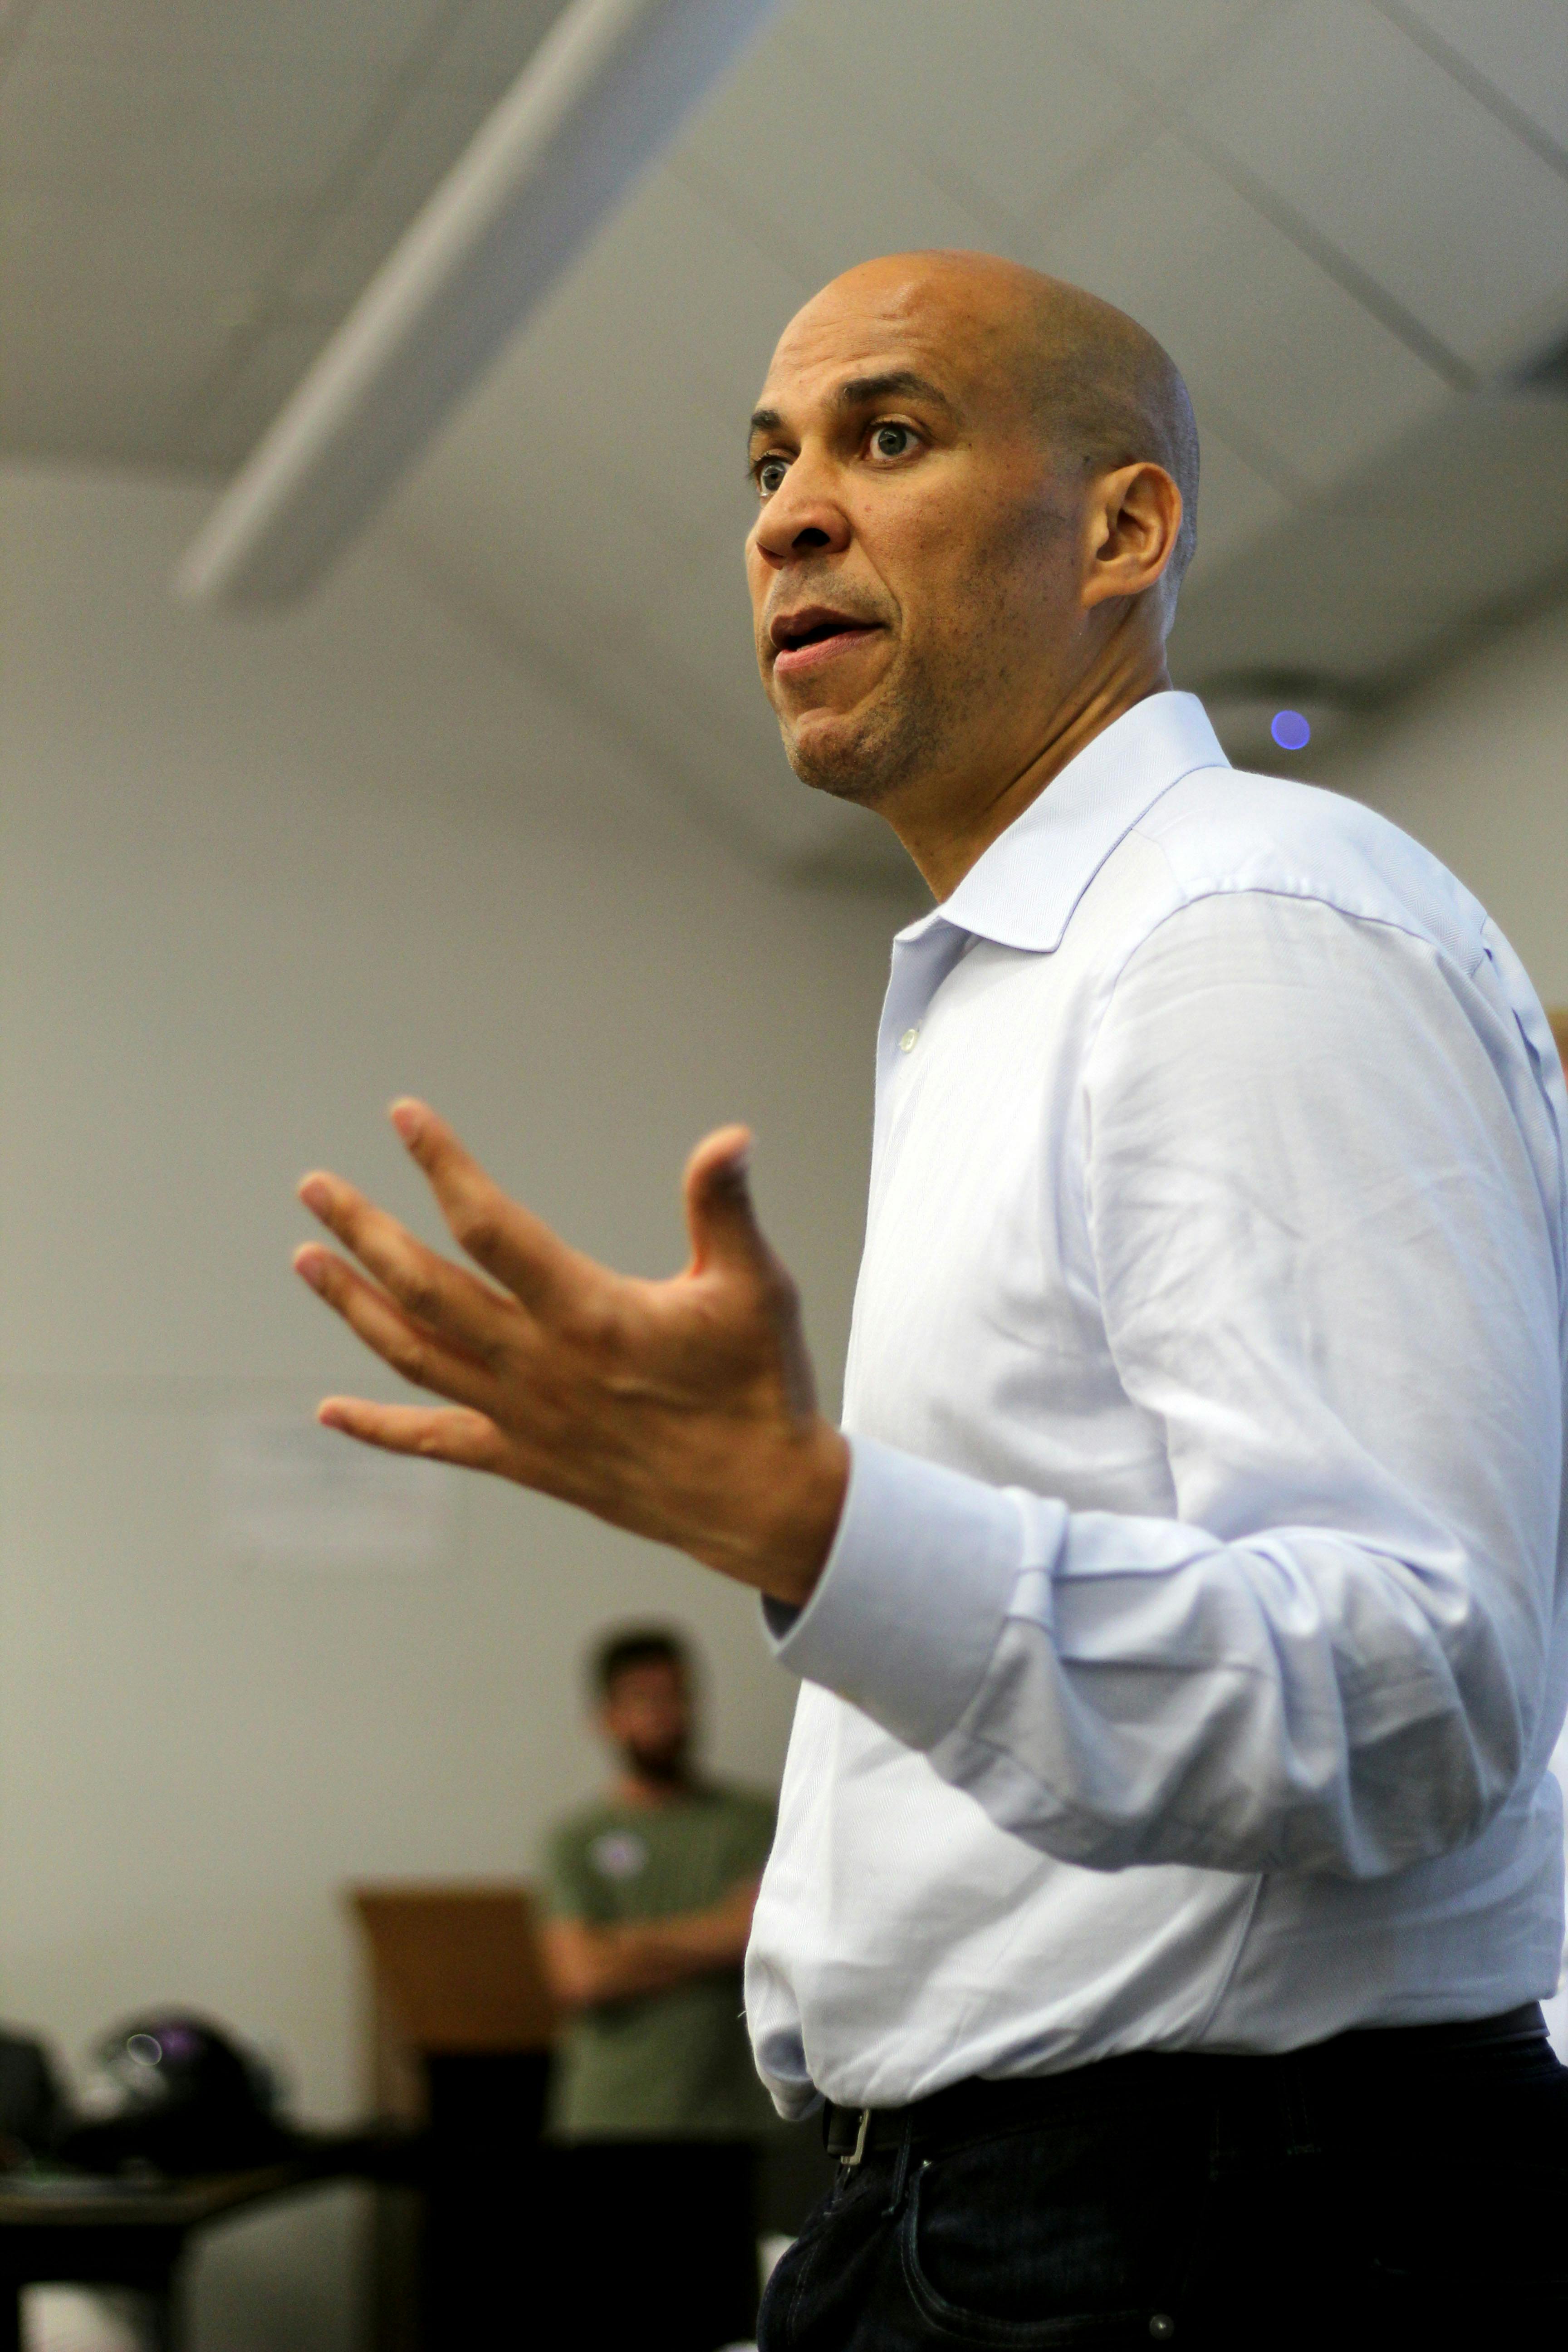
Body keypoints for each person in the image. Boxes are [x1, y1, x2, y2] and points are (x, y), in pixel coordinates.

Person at [291, 250, 1568, 2346]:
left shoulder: (1237, 926)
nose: (789, 515)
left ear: (1121, 530)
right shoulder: (1023, 981)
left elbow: (1418, 1689)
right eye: (765, 465)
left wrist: (820, 1527)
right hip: (1026, 2209)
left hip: (1223, 2218)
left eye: (885, 438)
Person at [538, 1625, 776, 2347]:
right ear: (607, 1717)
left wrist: (629, 1942)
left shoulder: (749, 1821)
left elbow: (757, 1936)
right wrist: (709, 1938)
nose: (665, 1715)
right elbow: (579, 1975)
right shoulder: (577, 1839)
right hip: (612, 2123)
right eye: (644, 1699)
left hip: (726, 2122)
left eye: (677, 1697)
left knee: (725, 2326)